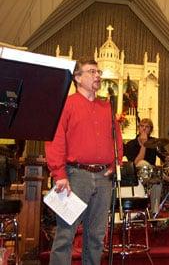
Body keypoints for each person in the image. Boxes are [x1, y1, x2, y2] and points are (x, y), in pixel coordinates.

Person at [45, 59, 123, 264]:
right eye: (92, 72)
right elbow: (55, 138)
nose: (98, 75)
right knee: (65, 236)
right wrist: (59, 174)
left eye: (98, 72)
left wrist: (116, 163)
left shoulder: (106, 106)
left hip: (103, 178)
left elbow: (117, 138)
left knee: (96, 236)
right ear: (78, 78)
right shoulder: (66, 104)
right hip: (75, 176)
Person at [124, 118, 167, 215]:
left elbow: (165, 157)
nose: (144, 129)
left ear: (150, 130)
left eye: (147, 127)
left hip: (151, 174)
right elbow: (135, 164)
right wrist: (144, 145)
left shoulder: (155, 142)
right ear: (138, 128)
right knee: (142, 162)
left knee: (158, 180)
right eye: (142, 126)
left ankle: (154, 213)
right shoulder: (131, 144)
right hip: (136, 175)